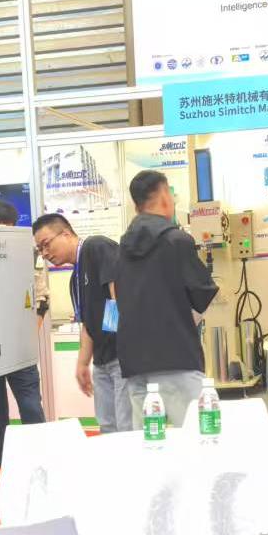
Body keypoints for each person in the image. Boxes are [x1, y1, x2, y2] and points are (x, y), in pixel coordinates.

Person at [114, 170, 218, 426]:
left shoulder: (123, 247)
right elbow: (202, 292)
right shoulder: (176, 240)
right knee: (200, 432)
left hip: (134, 361)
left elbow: (117, 296)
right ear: (164, 197)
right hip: (176, 356)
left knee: (149, 439)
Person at [33, 212, 125, 432]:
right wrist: (82, 363)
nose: (44, 254)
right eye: (40, 249)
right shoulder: (74, 279)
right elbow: (87, 324)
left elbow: (117, 296)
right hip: (102, 362)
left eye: (46, 244)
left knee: (127, 427)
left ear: (65, 234)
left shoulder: (96, 247)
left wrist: (111, 333)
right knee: (107, 427)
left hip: (123, 357)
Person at [0, 199, 46, 466]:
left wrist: (28, 338)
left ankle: (41, 465)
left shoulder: (27, 254)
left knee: (31, 408)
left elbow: (42, 300)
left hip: (20, 350)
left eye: (5, 229)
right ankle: (6, 471)